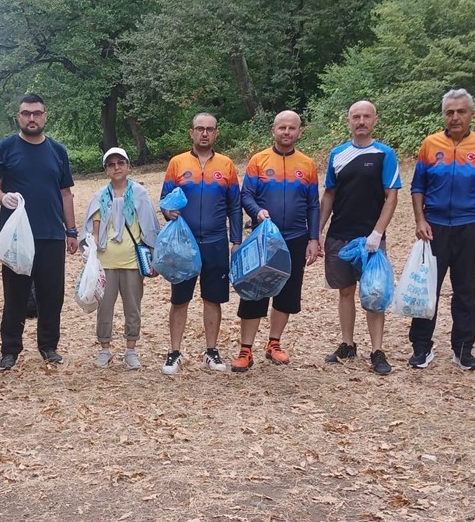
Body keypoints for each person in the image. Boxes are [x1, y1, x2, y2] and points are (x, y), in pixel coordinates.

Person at [408, 89, 475, 370]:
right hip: (434, 227)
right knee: (427, 289)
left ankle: (463, 349)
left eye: (461, 111)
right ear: (443, 115)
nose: (455, 117)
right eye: (450, 112)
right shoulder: (430, 144)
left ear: (471, 114)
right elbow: (418, 186)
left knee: (465, 291)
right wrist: (420, 220)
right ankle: (421, 347)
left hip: (469, 226)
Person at [0, 93, 79, 369]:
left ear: (45, 116)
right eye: (26, 113)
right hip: (17, 236)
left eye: (37, 113)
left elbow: (65, 193)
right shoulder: (4, 148)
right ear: (19, 116)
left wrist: (71, 231)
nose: (32, 118)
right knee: (15, 294)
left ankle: (48, 346)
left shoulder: (57, 151)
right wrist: (3, 198)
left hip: (51, 234)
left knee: (52, 295)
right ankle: (10, 349)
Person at [231, 110, 321, 371]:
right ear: (273, 131)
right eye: (282, 127)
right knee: (254, 292)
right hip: (264, 238)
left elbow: (313, 205)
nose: (286, 132)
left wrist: (314, 237)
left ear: (299, 132)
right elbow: (246, 195)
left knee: (287, 293)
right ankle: (245, 349)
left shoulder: (307, 164)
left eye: (292, 128)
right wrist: (257, 211)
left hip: (295, 237)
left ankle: (274, 343)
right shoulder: (258, 161)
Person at [319, 100, 401, 376]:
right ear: (349, 121)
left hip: (371, 238)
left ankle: (377, 350)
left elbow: (392, 196)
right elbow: (329, 194)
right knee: (345, 291)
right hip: (340, 234)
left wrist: (377, 233)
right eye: (356, 117)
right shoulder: (337, 154)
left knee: (374, 293)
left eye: (366, 116)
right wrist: (318, 231)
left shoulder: (385, 154)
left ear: (375, 120)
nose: (361, 121)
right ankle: (348, 344)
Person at [159, 112, 243, 374]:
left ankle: (211, 351)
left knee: (213, 298)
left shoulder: (226, 165)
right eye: (199, 129)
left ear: (216, 133)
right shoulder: (177, 163)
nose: (204, 133)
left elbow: (235, 205)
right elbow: (165, 198)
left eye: (210, 129)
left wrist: (236, 240)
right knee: (180, 299)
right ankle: (174, 352)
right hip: (184, 243)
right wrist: (168, 212)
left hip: (216, 240)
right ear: (191, 132)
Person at [81, 147, 161, 370]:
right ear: (106, 169)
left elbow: (149, 226)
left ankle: (131, 349)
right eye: (111, 164)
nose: (116, 168)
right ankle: (104, 349)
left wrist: (154, 255)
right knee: (104, 308)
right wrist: (91, 252)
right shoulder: (100, 197)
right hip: (106, 262)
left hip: (132, 261)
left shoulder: (139, 193)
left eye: (120, 163)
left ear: (128, 167)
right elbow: (94, 229)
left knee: (133, 307)